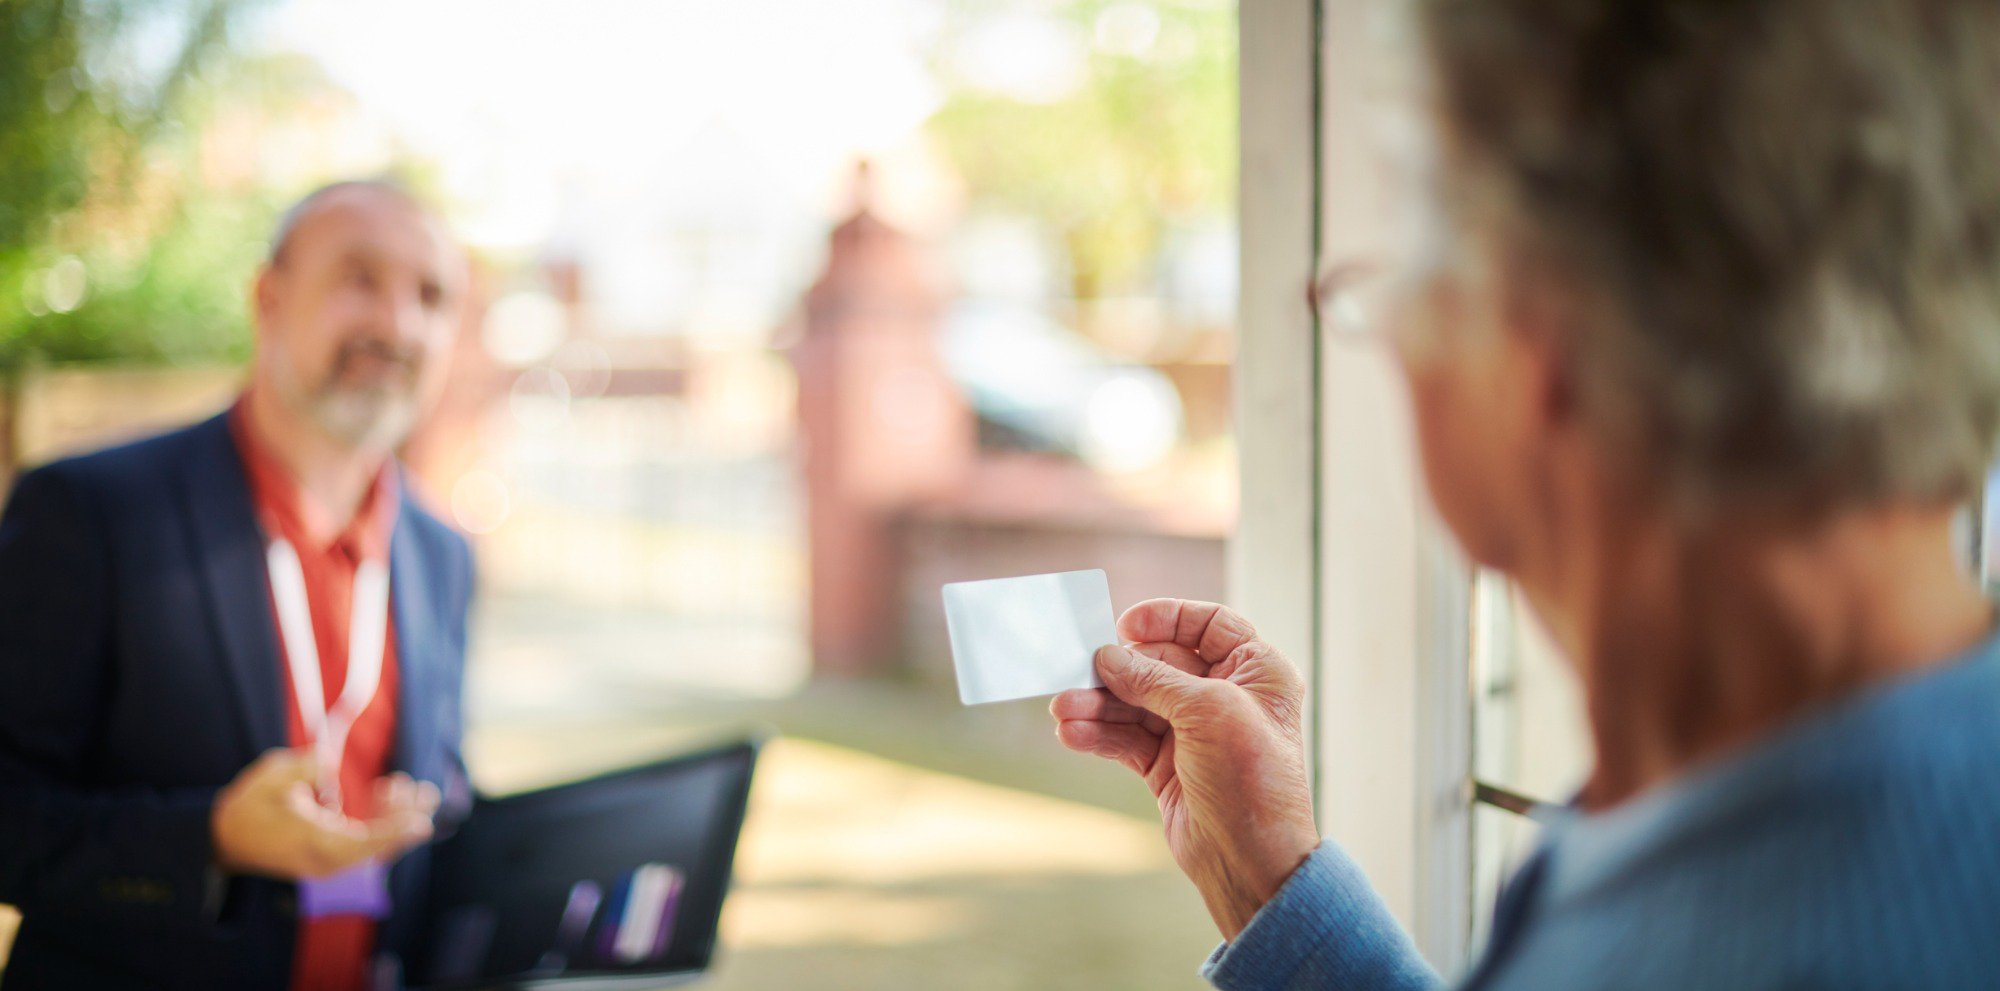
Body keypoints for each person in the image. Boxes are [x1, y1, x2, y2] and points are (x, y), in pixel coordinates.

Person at [1052, 1, 2000, 988]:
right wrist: (1267, 886)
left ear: (1541, 329)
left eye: (1395, 274)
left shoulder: (1752, 934)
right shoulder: (1751, 805)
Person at [0, 180, 475, 990]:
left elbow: (446, 790)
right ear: (269, 298)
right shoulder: (89, 510)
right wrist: (211, 836)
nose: (397, 324)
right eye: (360, 278)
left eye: (430, 296)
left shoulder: (442, 553)